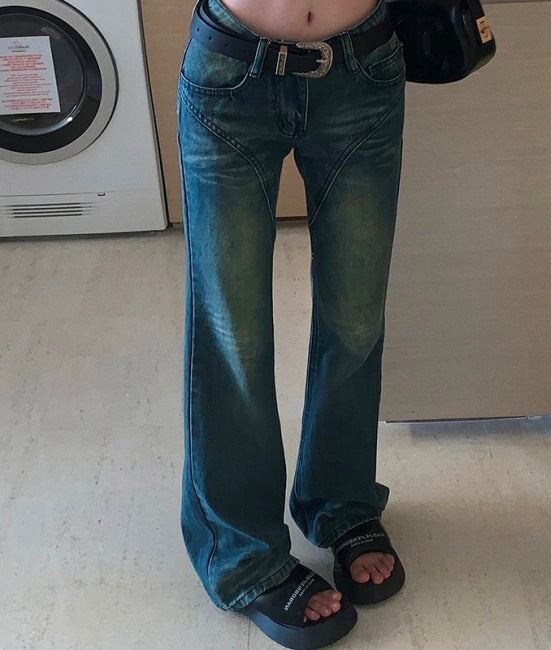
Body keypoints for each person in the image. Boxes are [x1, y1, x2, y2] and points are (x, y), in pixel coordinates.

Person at [176, 0, 406, 646]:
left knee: (356, 318)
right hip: (231, 72)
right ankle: (241, 549)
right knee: (233, 332)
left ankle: (340, 500)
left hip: (363, 68)